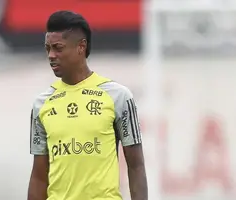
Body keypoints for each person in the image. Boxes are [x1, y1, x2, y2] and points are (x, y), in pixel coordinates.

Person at [28, 10, 148, 200]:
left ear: (81, 47)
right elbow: (39, 176)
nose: (51, 55)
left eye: (58, 48)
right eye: (47, 48)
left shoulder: (118, 96)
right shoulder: (41, 104)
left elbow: (136, 165)